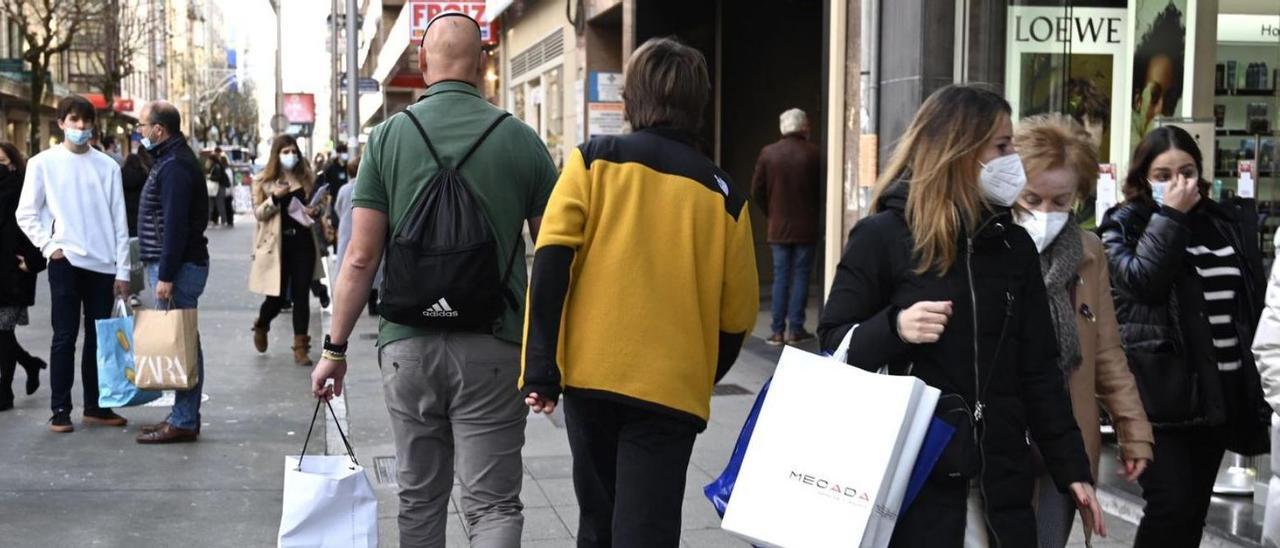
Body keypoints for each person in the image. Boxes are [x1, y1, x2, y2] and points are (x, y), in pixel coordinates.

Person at [311, 13, 558, 547]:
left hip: (408, 346)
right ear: (483, 63)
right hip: (495, 344)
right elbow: (555, 254)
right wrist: (551, 353)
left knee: (420, 498)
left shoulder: (387, 140)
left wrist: (335, 348)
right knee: (492, 505)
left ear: (422, 65)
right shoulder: (521, 140)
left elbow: (359, 257)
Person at [816, 86, 1100, 547]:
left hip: (999, 485)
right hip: (912, 483)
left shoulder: (1013, 246)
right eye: (1002, 146)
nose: (1014, 159)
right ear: (960, 149)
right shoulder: (883, 236)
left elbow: (1039, 372)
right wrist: (896, 328)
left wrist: (1072, 470)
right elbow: (832, 342)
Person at [521, 37, 759, 547]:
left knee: (597, 522)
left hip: (592, 376)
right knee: (647, 530)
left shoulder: (593, 161)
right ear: (699, 104)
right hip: (671, 389)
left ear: (630, 101)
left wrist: (541, 367)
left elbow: (551, 261)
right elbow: (737, 316)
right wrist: (699, 370)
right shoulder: (724, 195)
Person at [1100, 125, 1271, 547]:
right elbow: (1142, 283)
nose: (1179, 183)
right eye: (1163, 175)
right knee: (1170, 506)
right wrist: (1171, 216)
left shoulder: (1223, 222)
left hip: (1220, 392)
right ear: (1143, 179)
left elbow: (1249, 302)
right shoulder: (1122, 224)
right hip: (1161, 398)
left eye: (1188, 171)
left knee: (1192, 511)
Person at [1012, 114, 1153, 548]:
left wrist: (1134, 432)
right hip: (1001, 436)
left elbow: (1107, 352)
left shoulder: (1089, 253)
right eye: (1032, 198)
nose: (1045, 214)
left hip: (1065, 439)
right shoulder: (989, 247)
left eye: (1061, 201)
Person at [15, 95, 131, 433]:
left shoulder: (108, 166)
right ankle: (60, 409)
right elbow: (26, 212)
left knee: (99, 338)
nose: (81, 127)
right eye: (74, 120)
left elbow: (119, 221)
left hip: (103, 264)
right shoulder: (42, 163)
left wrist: (123, 270)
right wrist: (50, 247)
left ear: (93, 125)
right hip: (65, 262)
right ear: (61, 122)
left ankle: (96, 406)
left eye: (86, 121)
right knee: (64, 336)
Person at [131, 101, 210, 444]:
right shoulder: (169, 159)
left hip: (178, 268)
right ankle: (183, 415)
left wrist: (165, 275)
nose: (140, 132)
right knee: (184, 339)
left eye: (142, 126)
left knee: (184, 340)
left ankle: (183, 419)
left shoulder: (175, 164)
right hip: (177, 265)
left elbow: (175, 225)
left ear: (159, 129)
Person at [249, 135, 323, 366]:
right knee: (277, 297)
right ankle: (261, 324)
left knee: (301, 296)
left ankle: (300, 347)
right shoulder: (263, 180)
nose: (291, 155)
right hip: (276, 247)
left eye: (294, 151)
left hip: (303, 243)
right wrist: (275, 197)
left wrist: (316, 210)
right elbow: (259, 213)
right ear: (277, 154)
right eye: (285, 151)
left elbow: (320, 205)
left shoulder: (306, 177)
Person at [751, 107, 821, 346]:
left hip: (778, 227)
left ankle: (777, 330)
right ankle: (796, 329)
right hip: (806, 227)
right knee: (801, 276)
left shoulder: (768, 153)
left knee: (781, 277)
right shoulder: (814, 154)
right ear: (803, 127)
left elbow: (756, 190)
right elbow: (820, 191)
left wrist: (771, 212)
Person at [0, 142, 47, 410]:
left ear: (15, 163)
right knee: (1, 334)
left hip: (13, 272)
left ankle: (5, 391)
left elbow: (36, 226)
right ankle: (30, 364)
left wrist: (33, 262)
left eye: (3, 162)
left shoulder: (23, 190)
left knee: (3, 331)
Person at [333, 153, 379, 317]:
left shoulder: (344, 189)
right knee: (372, 271)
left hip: (347, 231)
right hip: (369, 231)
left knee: (347, 266)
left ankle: (346, 304)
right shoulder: (374, 187)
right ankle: (372, 303)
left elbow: (338, 208)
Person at [208, 148, 231, 227]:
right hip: (218, 187)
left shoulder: (216, 166)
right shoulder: (217, 166)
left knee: (219, 204)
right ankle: (221, 221)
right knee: (218, 204)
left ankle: (223, 221)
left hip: (219, 187)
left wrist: (209, 177)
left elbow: (217, 177)